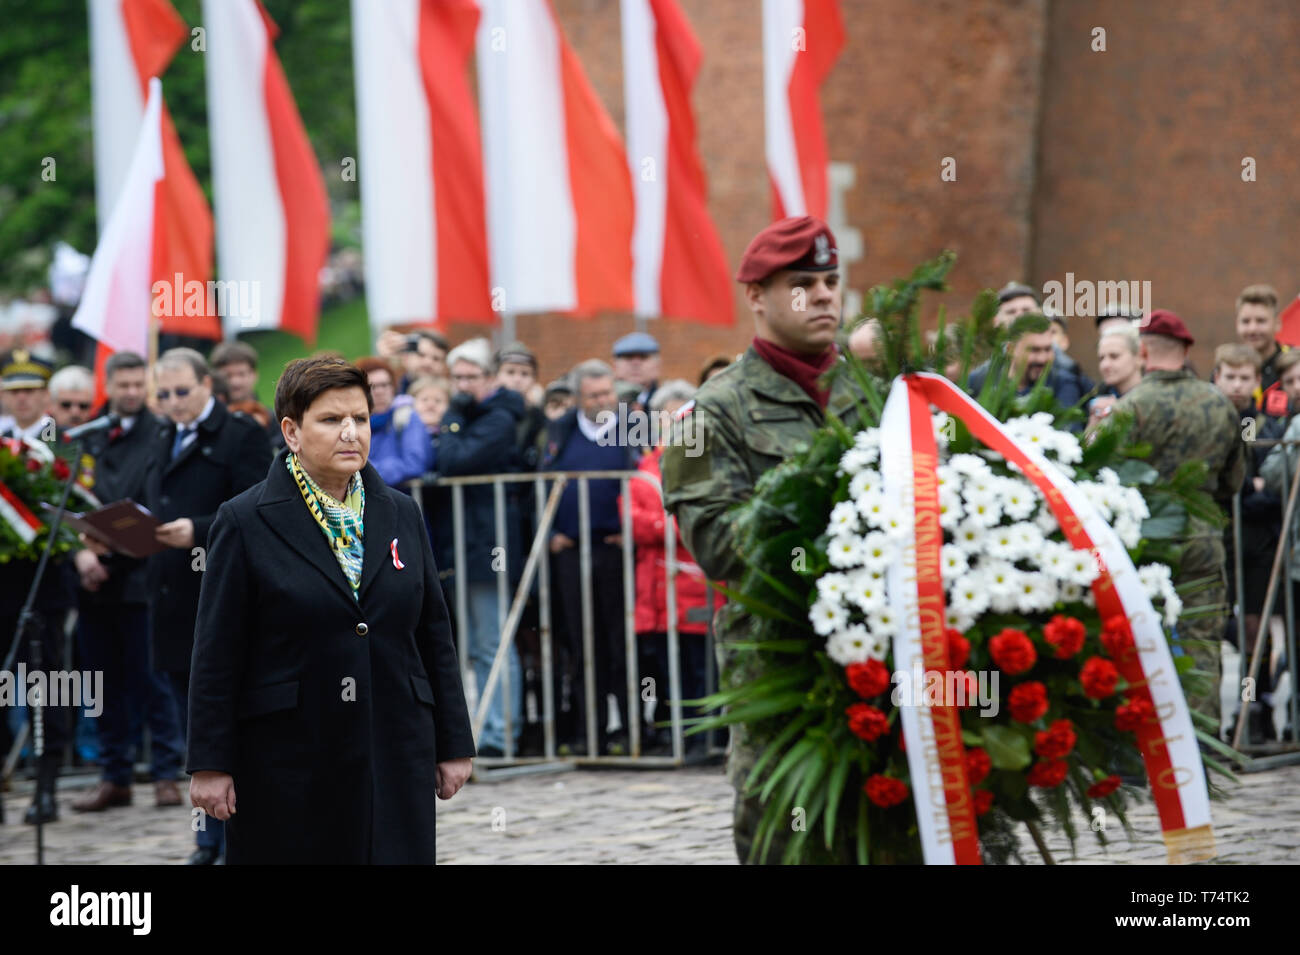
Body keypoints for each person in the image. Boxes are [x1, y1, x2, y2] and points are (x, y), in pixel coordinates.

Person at [186, 356, 474, 863]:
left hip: (393, 748)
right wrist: (210, 762)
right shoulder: (244, 521)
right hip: (289, 759)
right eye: (331, 420)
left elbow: (433, 633)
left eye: (360, 419)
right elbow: (217, 650)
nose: (350, 433)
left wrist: (453, 741)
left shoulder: (400, 511)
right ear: (292, 432)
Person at [661, 215, 869, 863]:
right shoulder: (708, 414)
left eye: (832, 280)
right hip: (785, 683)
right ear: (757, 296)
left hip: (883, 673)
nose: (826, 295)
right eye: (804, 283)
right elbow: (722, 546)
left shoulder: (875, 396)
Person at [146, 347, 272, 863]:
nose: (173, 403)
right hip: (170, 594)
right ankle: (205, 836)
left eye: (182, 392)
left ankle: (230, 835)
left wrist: (196, 531)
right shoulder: (162, 435)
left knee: (223, 719)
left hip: (217, 592)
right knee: (187, 723)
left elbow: (255, 506)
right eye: (164, 394)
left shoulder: (239, 434)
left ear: (206, 386)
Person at [1110, 311, 1244, 723]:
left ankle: (1144, 747)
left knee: (1140, 638)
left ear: (1144, 351)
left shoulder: (1129, 407)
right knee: (1202, 639)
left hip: (1146, 537)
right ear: (1187, 351)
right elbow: (1234, 479)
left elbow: (1108, 479)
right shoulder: (1219, 404)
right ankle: (1203, 746)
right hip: (1203, 534)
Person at [70, 351, 185, 814]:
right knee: (101, 681)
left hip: (143, 576)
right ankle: (112, 774)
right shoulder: (85, 435)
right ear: (109, 385)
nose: (133, 392)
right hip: (93, 578)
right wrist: (80, 551)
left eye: (141, 384)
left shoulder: (162, 432)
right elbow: (60, 496)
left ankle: (164, 772)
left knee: (151, 677)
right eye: (125, 384)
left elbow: (164, 498)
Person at [542, 359, 638, 755]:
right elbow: (539, 482)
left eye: (608, 394)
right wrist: (550, 534)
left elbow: (648, 476)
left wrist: (631, 530)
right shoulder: (561, 431)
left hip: (615, 550)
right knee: (582, 642)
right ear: (579, 398)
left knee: (621, 642)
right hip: (571, 551)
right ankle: (590, 731)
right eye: (595, 395)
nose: (603, 401)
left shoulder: (631, 429)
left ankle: (632, 730)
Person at [437, 337, 526, 758]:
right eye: (457, 377)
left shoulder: (499, 418)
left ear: (490, 377)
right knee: (474, 643)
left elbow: (454, 461)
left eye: (471, 377)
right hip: (466, 538)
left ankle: (499, 733)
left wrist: (451, 421)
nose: (462, 385)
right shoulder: (476, 414)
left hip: (490, 541)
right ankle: (487, 728)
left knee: (492, 639)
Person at [0, 349, 72, 824]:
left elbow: (79, 502)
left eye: (30, 391)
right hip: (2, 581)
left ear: (45, 396)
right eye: (14, 392)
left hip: (46, 577)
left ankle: (46, 786)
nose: (22, 400)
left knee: (49, 682)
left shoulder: (63, 444)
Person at [624, 379, 713, 754]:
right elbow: (635, 522)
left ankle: (702, 738)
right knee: (662, 668)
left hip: (694, 586)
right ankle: (671, 735)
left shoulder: (704, 462)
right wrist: (670, 525)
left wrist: (664, 524)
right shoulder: (645, 468)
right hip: (657, 590)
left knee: (699, 668)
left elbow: (703, 518)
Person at [1213, 344, 1284, 741]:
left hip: (1257, 539)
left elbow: (1270, 489)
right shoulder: (1210, 421)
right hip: (1220, 535)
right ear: (1217, 376)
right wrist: (1244, 489)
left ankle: (1253, 710)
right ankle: (1217, 720)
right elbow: (1226, 487)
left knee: (1257, 630)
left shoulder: (1263, 425)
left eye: (1245, 378)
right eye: (1230, 376)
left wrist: (1247, 491)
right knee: (1219, 624)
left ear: (1257, 382)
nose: (1237, 385)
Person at [355, 356, 432, 486]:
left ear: (393, 387)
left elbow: (414, 464)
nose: (380, 392)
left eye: (385, 385)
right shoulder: (351, 423)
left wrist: (365, 472)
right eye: (372, 386)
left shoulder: (406, 416)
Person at [1234, 284, 1289, 408]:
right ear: (1237, 324)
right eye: (1246, 321)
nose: (1252, 329)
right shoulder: (1226, 368)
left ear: (1277, 324)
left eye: (1261, 321)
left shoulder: (1294, 365)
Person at [211, 341, 276, 440]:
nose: (235, 382)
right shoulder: (209, 420)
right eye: (227, 375)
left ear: (254, 375)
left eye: (241, 374)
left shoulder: (271, 419)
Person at [1087, 323, 1143, 427]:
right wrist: (1093, 424)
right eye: (1101, 358)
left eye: (1114, 356)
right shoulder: (1099, 395)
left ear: (1139, 357)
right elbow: (1089, 441)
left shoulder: (1153, 397)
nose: (1105, 365)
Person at [0, 347, 57, 441]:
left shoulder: (64, 440)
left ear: (46, 394)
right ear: (3, 395)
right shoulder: (3, 440)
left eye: (29, 390)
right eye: (14, 391)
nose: (21, 398)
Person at [377, 328, 450, 393]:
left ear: (444, 366)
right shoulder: (389, 394)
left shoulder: (451, 400)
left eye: (436, 358)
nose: (428, 362)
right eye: (421, 355)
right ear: (406, 358)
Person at [612, 331, 661, 410]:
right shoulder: (603, 403)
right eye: (628, 357)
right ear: (615, 366)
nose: (635, 363)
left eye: (643, 357)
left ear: (657, 366)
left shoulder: (667, 404)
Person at [47, 365, 95, 430]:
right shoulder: (34, 436)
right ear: (51, 405)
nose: (75, 412)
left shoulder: (103, 437)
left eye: (83, 406)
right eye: (66, 405)